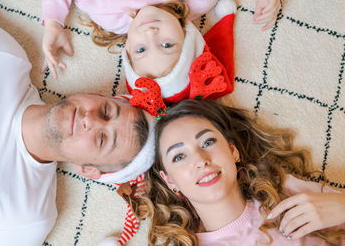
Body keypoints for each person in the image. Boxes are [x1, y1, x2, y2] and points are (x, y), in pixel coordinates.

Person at [0, 0, 154, 245]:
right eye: (105, 110)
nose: (90, 120)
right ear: (98, 95)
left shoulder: (27, 217)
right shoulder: (6, 60)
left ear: (88, 170)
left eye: (102, 139)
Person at [136, 99, 345, 246]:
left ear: (233, 151)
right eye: (179, 157)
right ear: (169, 180)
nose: (201, 160)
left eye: (207, 142)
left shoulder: (283, 193)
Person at [39, 0, 281, 83]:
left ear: (128, 49)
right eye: (167, 45)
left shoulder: (110, 13)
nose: (151, 34)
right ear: (186, 38)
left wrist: (53, 22)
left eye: (141, 49)